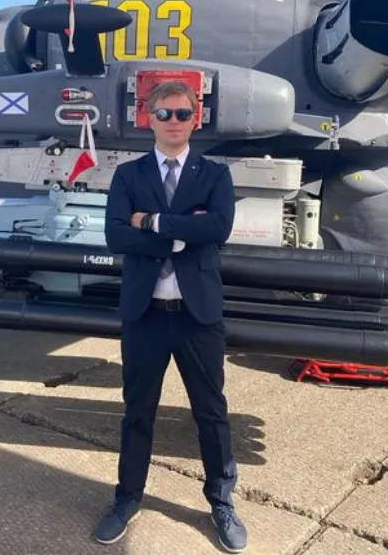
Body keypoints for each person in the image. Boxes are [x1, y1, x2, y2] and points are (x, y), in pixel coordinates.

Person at [94, 80, 247, 553]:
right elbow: (116, 236)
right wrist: (183, 233)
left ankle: (221, 500)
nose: (173, 122)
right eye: (164, 114)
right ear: (149, 119)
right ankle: (126, 499)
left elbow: (218, 227)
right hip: (145, 314)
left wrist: (153, 221)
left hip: (197, 316)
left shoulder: (214, 175)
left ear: (195, 119)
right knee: (137, 411)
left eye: (182, 113)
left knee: (211, 412)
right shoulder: (129, 175)